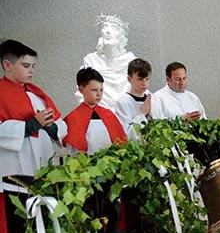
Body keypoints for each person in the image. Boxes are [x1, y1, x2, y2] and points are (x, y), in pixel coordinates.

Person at [0, 39, 67, 177]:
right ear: (7, 65)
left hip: (43, 161)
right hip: (13, 165)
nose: (31, 71)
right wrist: (30, 126)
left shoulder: (37, 94)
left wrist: (51, 127)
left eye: (33, 66)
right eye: (26, 66)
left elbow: (61, 125)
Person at [77, 14, 136, 110]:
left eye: (114, 28)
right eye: (105, 27)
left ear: (122, 36)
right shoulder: (91, 61)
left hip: (126, 112)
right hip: (97, 113)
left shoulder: (130, 62)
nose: (108, 31)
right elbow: (81, 92)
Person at [64, 67, 127, 155]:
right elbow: (73, 149)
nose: (99, 94)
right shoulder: (73, 118)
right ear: (81, 90)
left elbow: (121, 143)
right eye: (94, 90)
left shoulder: (108, 115)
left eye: (101, 90)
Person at [115, 58, 152, 140]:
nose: (144, 83)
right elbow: (127, 135)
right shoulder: (123, 102)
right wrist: (142, 114)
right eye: (140, 79)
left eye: (147, 79)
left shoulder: (151, 98)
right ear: (129, 79)